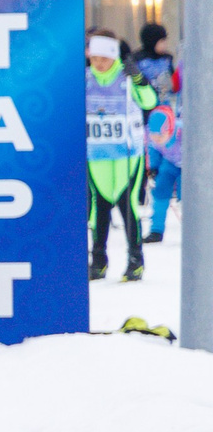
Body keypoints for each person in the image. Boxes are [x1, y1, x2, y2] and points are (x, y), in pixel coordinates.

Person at [84, 31, 155, 282]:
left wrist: (139, 78)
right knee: (99, 208)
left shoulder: (127, 80)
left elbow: (149, 101)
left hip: (127, 155)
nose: (99, 63)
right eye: (95, 58)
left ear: (114, 57)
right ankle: (98, 261)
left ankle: (135, 260)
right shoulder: (85, 80)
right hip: (96, 155)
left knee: (128, 207)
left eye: (104, 58)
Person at [136, 22, 182, 242]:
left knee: (185, 194)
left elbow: (175, 84)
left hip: (168, 115)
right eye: (161, 40)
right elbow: (153, 146)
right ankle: (156, 229)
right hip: (149, 115)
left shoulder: (168, 60)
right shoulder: (138, 60)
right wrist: (152, 166)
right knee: (161, 188)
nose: (164, 45)